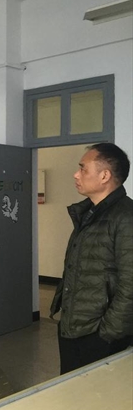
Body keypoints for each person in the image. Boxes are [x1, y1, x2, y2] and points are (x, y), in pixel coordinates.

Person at [50, 143, 132, 374]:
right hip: (74, 327)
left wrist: (107, 333)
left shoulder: (126, 217)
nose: (76, 175)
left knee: (99, 394)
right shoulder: (88, 214)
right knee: (71, 389)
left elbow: (130, 284)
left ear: (105, 176)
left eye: (83, 168)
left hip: (100, 335)